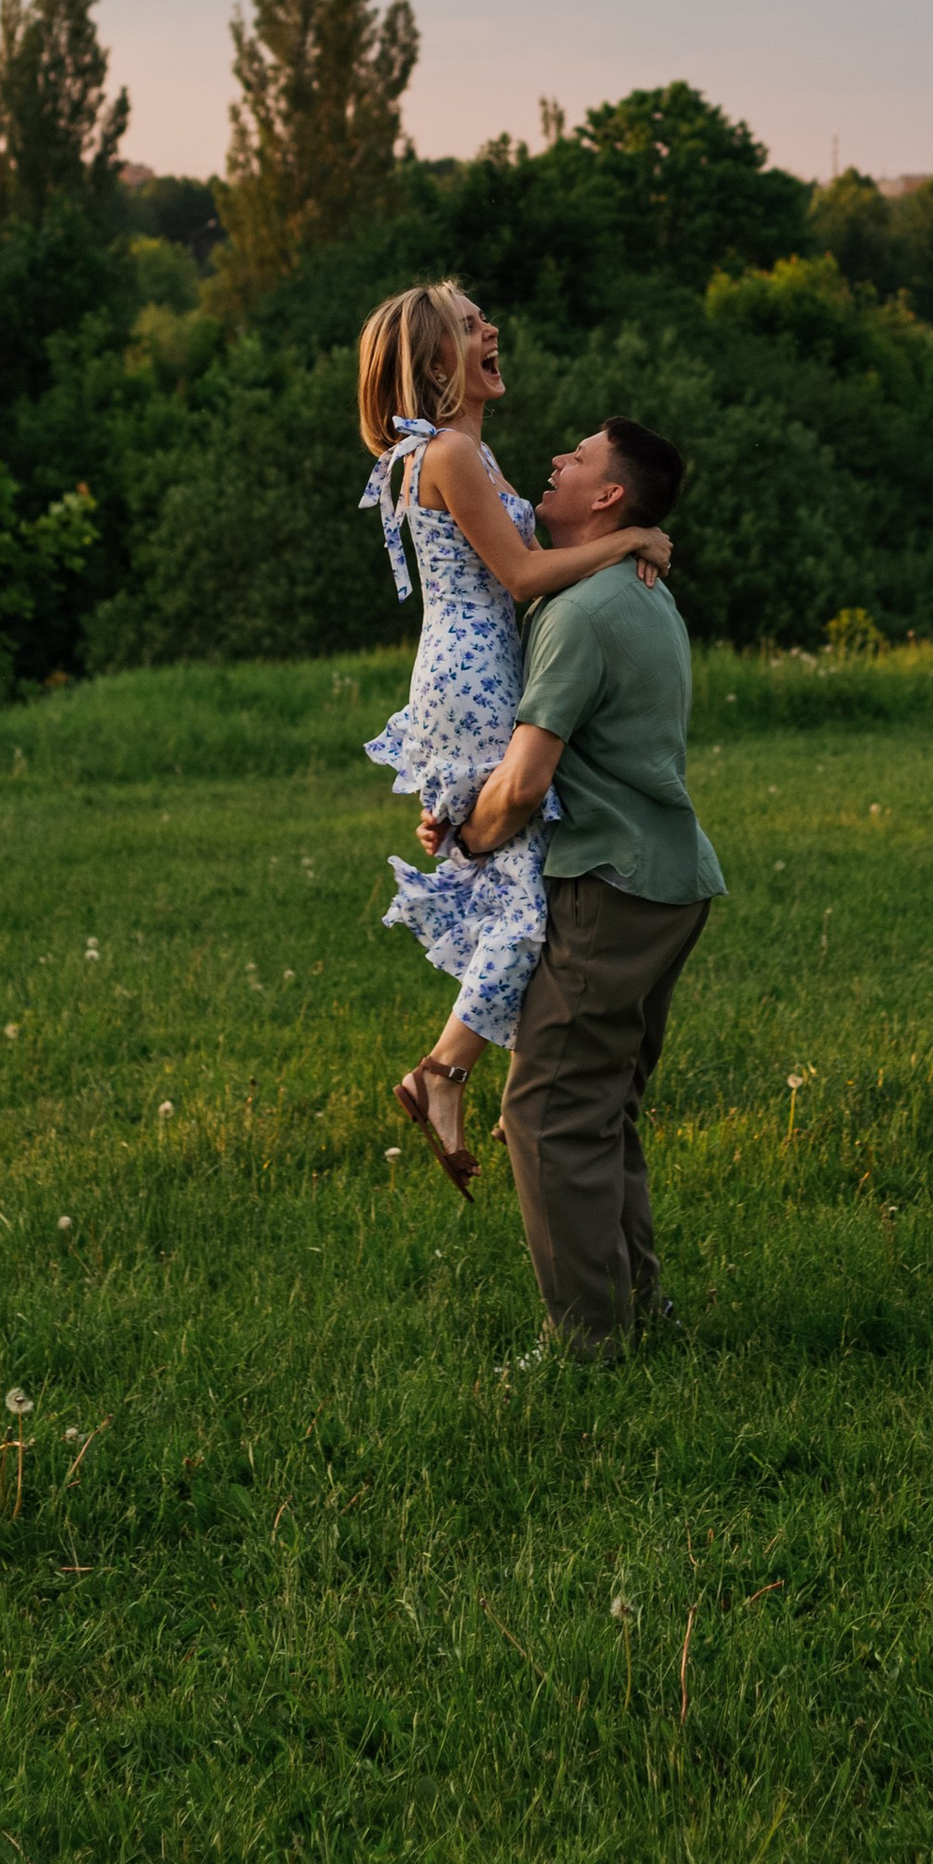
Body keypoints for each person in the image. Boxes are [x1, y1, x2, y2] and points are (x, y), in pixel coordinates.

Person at [358, 282, 673, 1196]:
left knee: (511, 885)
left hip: (473, 670)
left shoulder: (466, 451)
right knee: (529, 904)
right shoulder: (451, 452)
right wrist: (631, 538)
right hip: (473, 675)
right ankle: (450, 1073)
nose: (490, 328)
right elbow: (525, 573)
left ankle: (485, 1077)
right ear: (434, 362)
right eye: (468, 326)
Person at [448, 414, 723, 1357]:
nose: (555, 463)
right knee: (600, 1111)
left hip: (612, 886)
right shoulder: (633, 590)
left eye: (577, 458)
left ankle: (589, 1344)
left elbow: (526, 781)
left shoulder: (581, 613)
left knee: (548, 1112)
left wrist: (468, 836)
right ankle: (638, 1316)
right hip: (666, 879)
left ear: (608, 495)